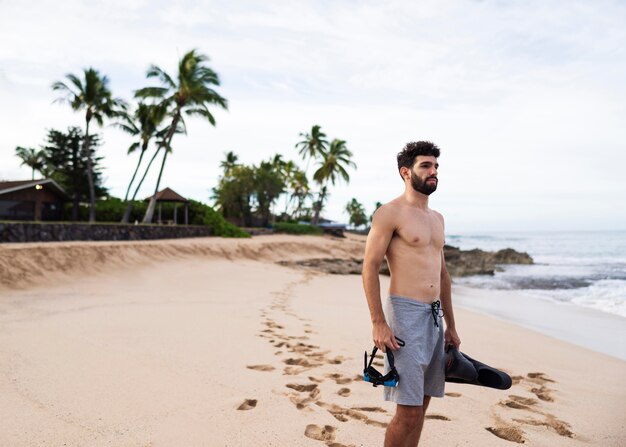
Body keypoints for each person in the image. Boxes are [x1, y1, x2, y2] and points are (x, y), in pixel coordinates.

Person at [362, 141, 461, 446]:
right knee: (407, 413)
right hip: (404, 317)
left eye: (435, 167)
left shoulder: (438, 219)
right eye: (425, 166)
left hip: (433, 317)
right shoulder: (389, 213)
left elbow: (442, 274)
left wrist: (451, 326)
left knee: (422, 408)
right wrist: (378, 322)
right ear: (406, 172)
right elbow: (369, 268)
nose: (433, 172)